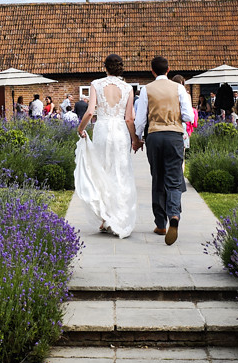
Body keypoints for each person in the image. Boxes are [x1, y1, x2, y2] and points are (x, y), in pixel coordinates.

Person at [74, 54, 138, 239]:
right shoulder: (127, 88)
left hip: (102, 130)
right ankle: (117, 216)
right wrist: (134, 139)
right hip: (120, 132)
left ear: (106, 67)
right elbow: (129, 118)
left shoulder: (96, 84)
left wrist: (81, 128)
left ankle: (104, 218)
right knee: (120, 173)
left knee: (101, 171)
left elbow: (90, 111)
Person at [133, 56, 194, 246]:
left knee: (157, 177)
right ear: (168, 70)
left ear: (152, 71)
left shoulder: (146, 89)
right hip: (174, 136)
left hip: (154, 136)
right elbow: (188, 115)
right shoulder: (178, 89)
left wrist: (138, 138)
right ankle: (174, 214)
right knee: (174, 179)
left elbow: (141, 118)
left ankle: (160, 224)